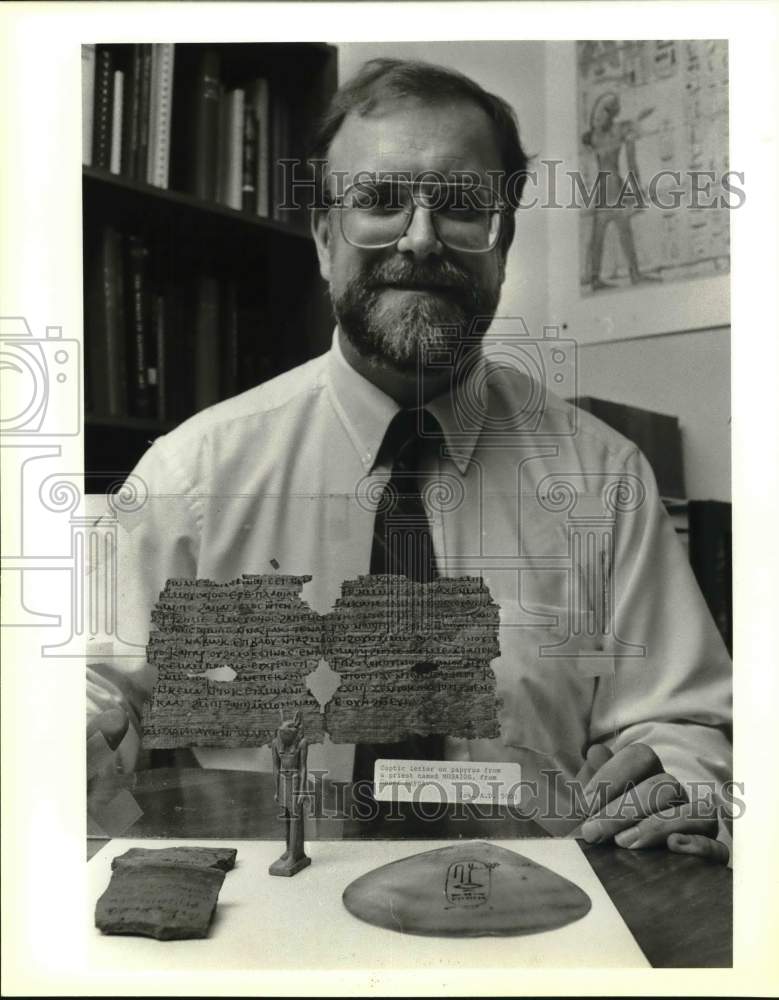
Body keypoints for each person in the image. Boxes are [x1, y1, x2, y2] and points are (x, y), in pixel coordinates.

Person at [87, 58, 732, 863]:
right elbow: (92, 700)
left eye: (462, 208)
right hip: (267, 937)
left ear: (503, 244)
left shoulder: (606, 483)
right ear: (325, 240)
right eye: (380, 201)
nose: (421, 239)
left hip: (540, 933)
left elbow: (685, 727)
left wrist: (676, 775)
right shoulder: (189, 478)